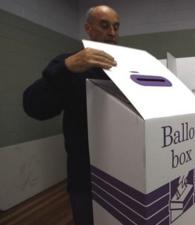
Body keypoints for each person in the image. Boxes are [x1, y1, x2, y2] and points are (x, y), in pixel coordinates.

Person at [23, 5, 120, 225]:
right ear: (88, 28)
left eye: (116, 26)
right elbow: (32, 106)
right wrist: (66, 68)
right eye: (104, 25)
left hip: (123, 172)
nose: (112, 32)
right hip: (85, 178)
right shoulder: (70, 65)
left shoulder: (124, 68)